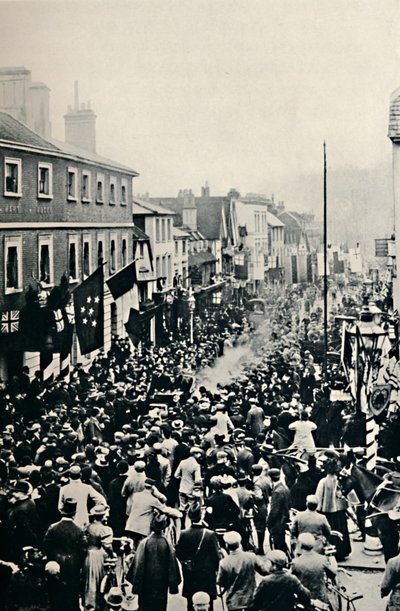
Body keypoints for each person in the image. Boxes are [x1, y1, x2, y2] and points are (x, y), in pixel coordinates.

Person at [43, 498, 87, 611]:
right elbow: (83, 550)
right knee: (72, 591)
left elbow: (46, 546)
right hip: (73, 564)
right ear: (74, 513)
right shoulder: (79, 530)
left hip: (56, 562)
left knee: (55, 591)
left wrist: (51, 558)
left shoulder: (53, 528)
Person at [176, 503, 221, 611]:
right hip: (207, 575)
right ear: (201, 516)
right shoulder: (210, 534)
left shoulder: (183, 534)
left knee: (191, 604)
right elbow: (216, 557)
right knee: (207, 603)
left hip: (190, 574)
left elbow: (179, 553)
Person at [132, 513, 181, 611]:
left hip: (146, 584)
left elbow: (138, 565)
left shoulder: (144, 543)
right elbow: (172, 566)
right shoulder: (167, 544)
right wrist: (173, 583)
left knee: (144, 607)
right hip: (161, 585)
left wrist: (137, 583)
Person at [217, 531, 269, 611]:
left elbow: (221, 582)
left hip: (234, 602)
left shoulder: (224, 562)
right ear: (239, 543)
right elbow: (265, 571)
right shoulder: (251, 556)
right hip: (251, 599)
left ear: (226, 545)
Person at [125, 478, 181, 546]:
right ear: (153, 488)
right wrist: (178, 513)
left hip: (131, 526)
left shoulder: (136, 496)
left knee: (133, 547)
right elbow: (165, 509)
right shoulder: (153, 500)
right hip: (143, 530)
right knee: (144, 549)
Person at [315, 460, 351, 561]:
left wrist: (318, 509)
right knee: (341, 530)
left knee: (330, 532)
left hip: (327, 511)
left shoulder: (323, 481)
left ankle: (332, 553)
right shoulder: (339, 480)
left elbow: (318, 497)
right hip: (339, 511)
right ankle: (342, 552)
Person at [83, 504, 114, 611]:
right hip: (98, 556)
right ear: (102, 516)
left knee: (88, 581)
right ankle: (97, 606)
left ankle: (88, 604)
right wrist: (112, 554)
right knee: (98, 581)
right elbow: (107, 545)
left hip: (87, 556)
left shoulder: (87, 527)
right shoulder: (105, 529)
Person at [291, 533, 336, 604]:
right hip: (321, 598)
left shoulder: (295, 562)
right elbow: (333, 574)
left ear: (300, 545)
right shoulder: (322, 559)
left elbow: (292, 581)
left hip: (304, 599)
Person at [267, 468, 290, 552]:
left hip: (277, 523)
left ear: (270, 478)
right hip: (283, 520)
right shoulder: (285, 488)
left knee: (278, 547)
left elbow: (274, 511)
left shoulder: (277, 492)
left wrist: (269, 522)